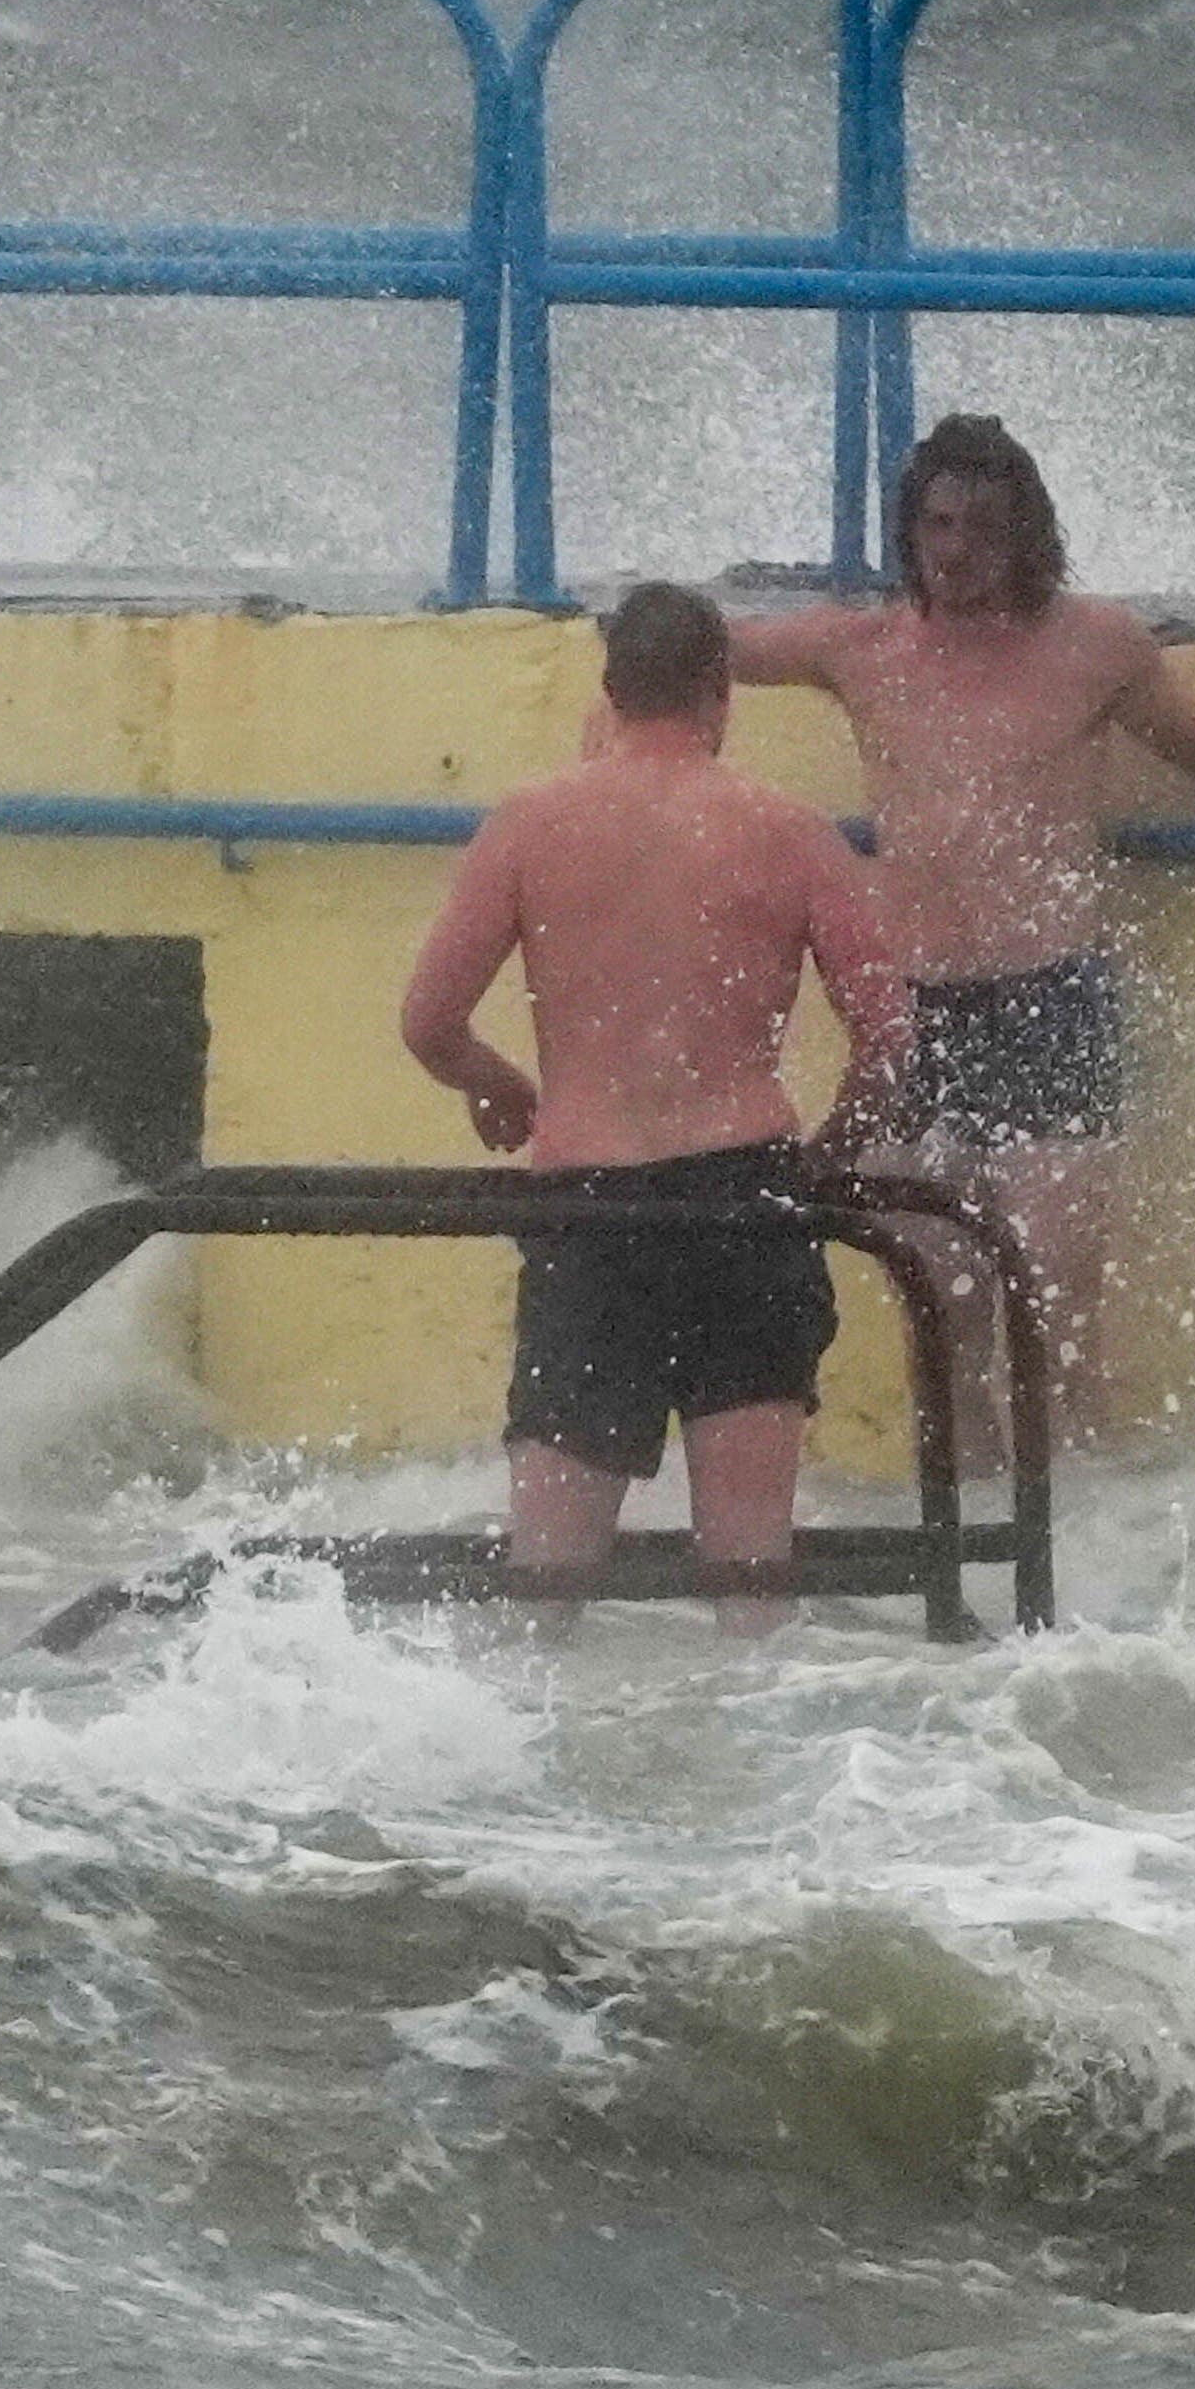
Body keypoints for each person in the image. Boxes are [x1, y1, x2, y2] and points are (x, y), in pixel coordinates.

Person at [722, 413, 1195, 1447]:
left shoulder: (1090, 646)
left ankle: (1083, 1574)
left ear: (1025, 532)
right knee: (943, 1303)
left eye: (981, 528)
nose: (957, 552)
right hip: (916, 1012)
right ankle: (959, 1553)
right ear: (908, 529)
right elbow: (694, 651)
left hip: (1047, 996)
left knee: (1052, 1308)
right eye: (937, 526)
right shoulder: (859, 646)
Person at [400, 579, 916, 1619]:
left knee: (546, 1582)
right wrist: (830, 1157)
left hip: (591, 1205)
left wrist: (504, 1090)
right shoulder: (787, 829)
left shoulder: (531, 823)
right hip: (745, 1197)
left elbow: (428, 1022)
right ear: (719, 692)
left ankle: (527, 1772)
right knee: (749, 1574)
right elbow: (891, 1039)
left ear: (610, 689)